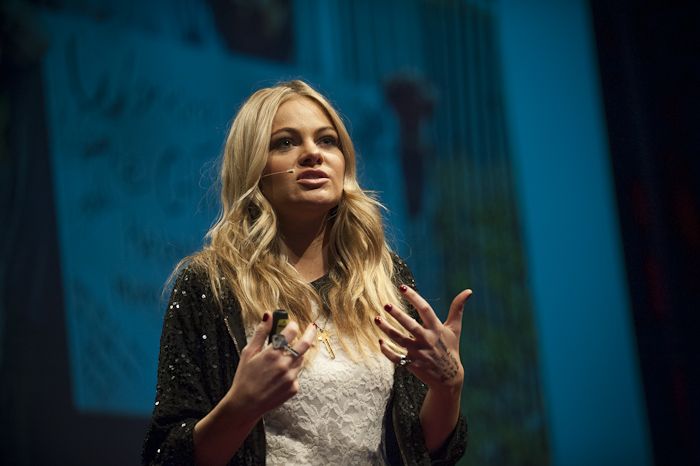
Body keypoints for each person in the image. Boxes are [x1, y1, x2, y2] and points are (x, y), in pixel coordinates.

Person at [142, 80, 471, 465]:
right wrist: (241, 407)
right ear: (253, 166)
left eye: (327, 140)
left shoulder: (383, 278)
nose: (312, 153)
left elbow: (419, 448)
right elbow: (167, 456)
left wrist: (448, 386)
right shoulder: (211, 283)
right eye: (285, 142)